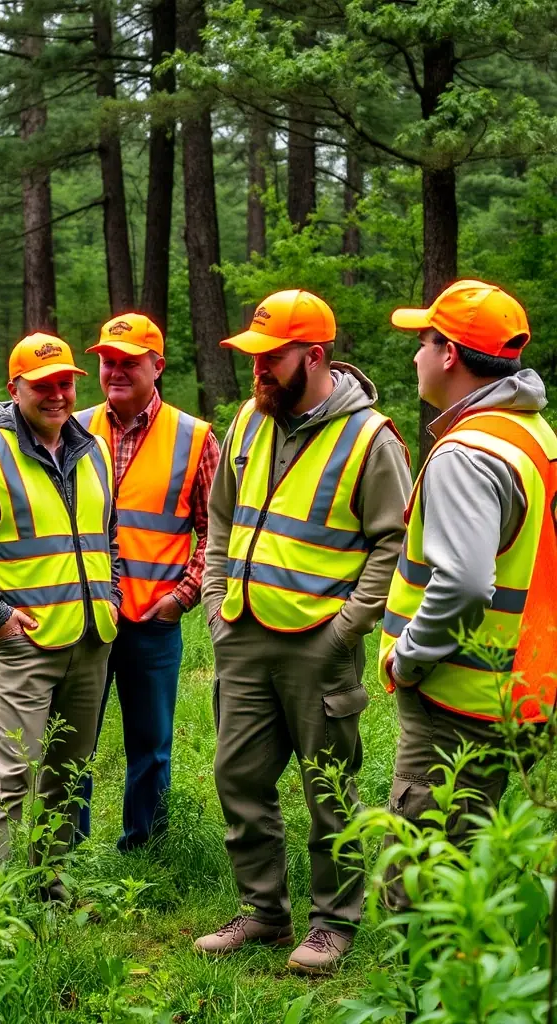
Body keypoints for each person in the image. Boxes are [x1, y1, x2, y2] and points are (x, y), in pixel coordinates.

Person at [197, 289, 412, 973]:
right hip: (243, 634)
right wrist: (214, 598)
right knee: (239, 778)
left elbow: (394, 541)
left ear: (313, 357)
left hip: (320, 645)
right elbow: (221, 517)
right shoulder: (247, 420)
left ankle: (332, 925)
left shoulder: (370, 438)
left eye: (270, 357)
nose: (257, 369)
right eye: (253, 356)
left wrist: (347, 629)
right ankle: (262, 912)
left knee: (328, 787)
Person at [380, 279, 557, 906]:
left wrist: (409, 656)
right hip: (521, 692)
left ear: (450, 353)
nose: (415, 357)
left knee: (423, 884)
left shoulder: (468, 452)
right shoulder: (533, 434)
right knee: (474, 872)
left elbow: (463, 581)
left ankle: (425, 998)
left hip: (461, 700)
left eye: (422, 343)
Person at [0, 334, 121, 880]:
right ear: (15, 389)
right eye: (42, 385)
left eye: (65, 383)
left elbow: (107, 537)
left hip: (92, 638)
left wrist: (112, 596)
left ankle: (53, 887)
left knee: (68, 776)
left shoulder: (93, 448)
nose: (56, 395)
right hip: (25, 647)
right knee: (8, 779)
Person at [75, 312, 218, 851]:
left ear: (157, 366)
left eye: (129, 362)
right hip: (86, 616)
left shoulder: (195, 437)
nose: (115, 371)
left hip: (152, 622)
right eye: (108, 361)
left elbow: (214, 531)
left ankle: (146, 847)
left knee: (151, 744)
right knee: (73, 743)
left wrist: (181, 597)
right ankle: (66, 850)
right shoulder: (73, 426)